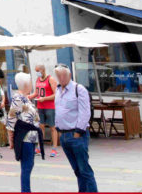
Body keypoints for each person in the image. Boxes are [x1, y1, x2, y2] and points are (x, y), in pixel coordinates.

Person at [54, 64, 98, 192]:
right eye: (59, 76)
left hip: (76, 135)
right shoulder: (58, 90)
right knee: (77, 170)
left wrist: (78, 132)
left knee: (84, 170)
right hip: (64, 135)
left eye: (64, 75)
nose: (61, 78)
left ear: (69, 75)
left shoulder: (79, 89)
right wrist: (58, 130)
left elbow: (85, 113)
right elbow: (59, 110)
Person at [9, 72, 43, 193]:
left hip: (31, 137)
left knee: (29, 165)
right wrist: (11, 140)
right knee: (27, 166)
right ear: (25, 84)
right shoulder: (18, 98)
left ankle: (26, 190)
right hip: (25, 138)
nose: (31, 84)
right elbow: (11, 118)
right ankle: (26, 190)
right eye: (30, 82)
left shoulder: (25, 97)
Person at [31, 64, 59, 157]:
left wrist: (45, 98)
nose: (37, 73)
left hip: (50, 106)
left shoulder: (50, 79)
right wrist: (29, 96)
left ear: (43, 70)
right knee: (41, 126)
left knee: (52, 127)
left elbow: (56, 94)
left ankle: (54, 148)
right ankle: (39, 147)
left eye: (38, 71)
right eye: (36, 71)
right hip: (40, 105)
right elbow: (36, 93)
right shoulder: (37, 80)